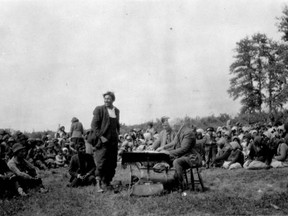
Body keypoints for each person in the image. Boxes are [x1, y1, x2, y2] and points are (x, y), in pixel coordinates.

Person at [156, 119, 202, 191]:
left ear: (174, 126)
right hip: (185, 156)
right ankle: (170, 183)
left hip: (192, 157)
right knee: (166, 160)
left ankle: (181, 185)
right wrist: (164, 147)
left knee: (176, 162)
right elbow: (174, 142)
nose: (172, 129)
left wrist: (168, 152)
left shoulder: (187, 132)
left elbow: (184, 149)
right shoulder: (180, 131)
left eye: (172, 127)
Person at [90, 91, 120, 192]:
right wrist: (101, 137)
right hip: (102, 141)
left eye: (108, 98)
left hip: (113, 141)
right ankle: (98, 184)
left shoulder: (116, 111)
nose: (106, 100)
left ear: (113, 100)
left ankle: (107, 182)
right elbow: (94, 125)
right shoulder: (99, 109)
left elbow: (117, 125)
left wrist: (117, 135)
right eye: (105, 98)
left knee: (112, 163)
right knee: (101, 162)